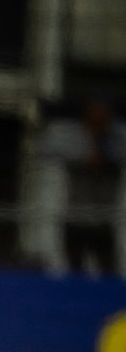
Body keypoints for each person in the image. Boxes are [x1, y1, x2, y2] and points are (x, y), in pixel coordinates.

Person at [41, 94, 126, 276]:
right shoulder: (73, 135)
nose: (99, 115)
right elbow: (46, 150)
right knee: (74, 268)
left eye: (103, 111)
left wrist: (106, 157)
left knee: (107, 269)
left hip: (103, 219)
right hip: (76, 216)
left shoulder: (117, 136)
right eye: (94, 111)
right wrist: (83, 157)